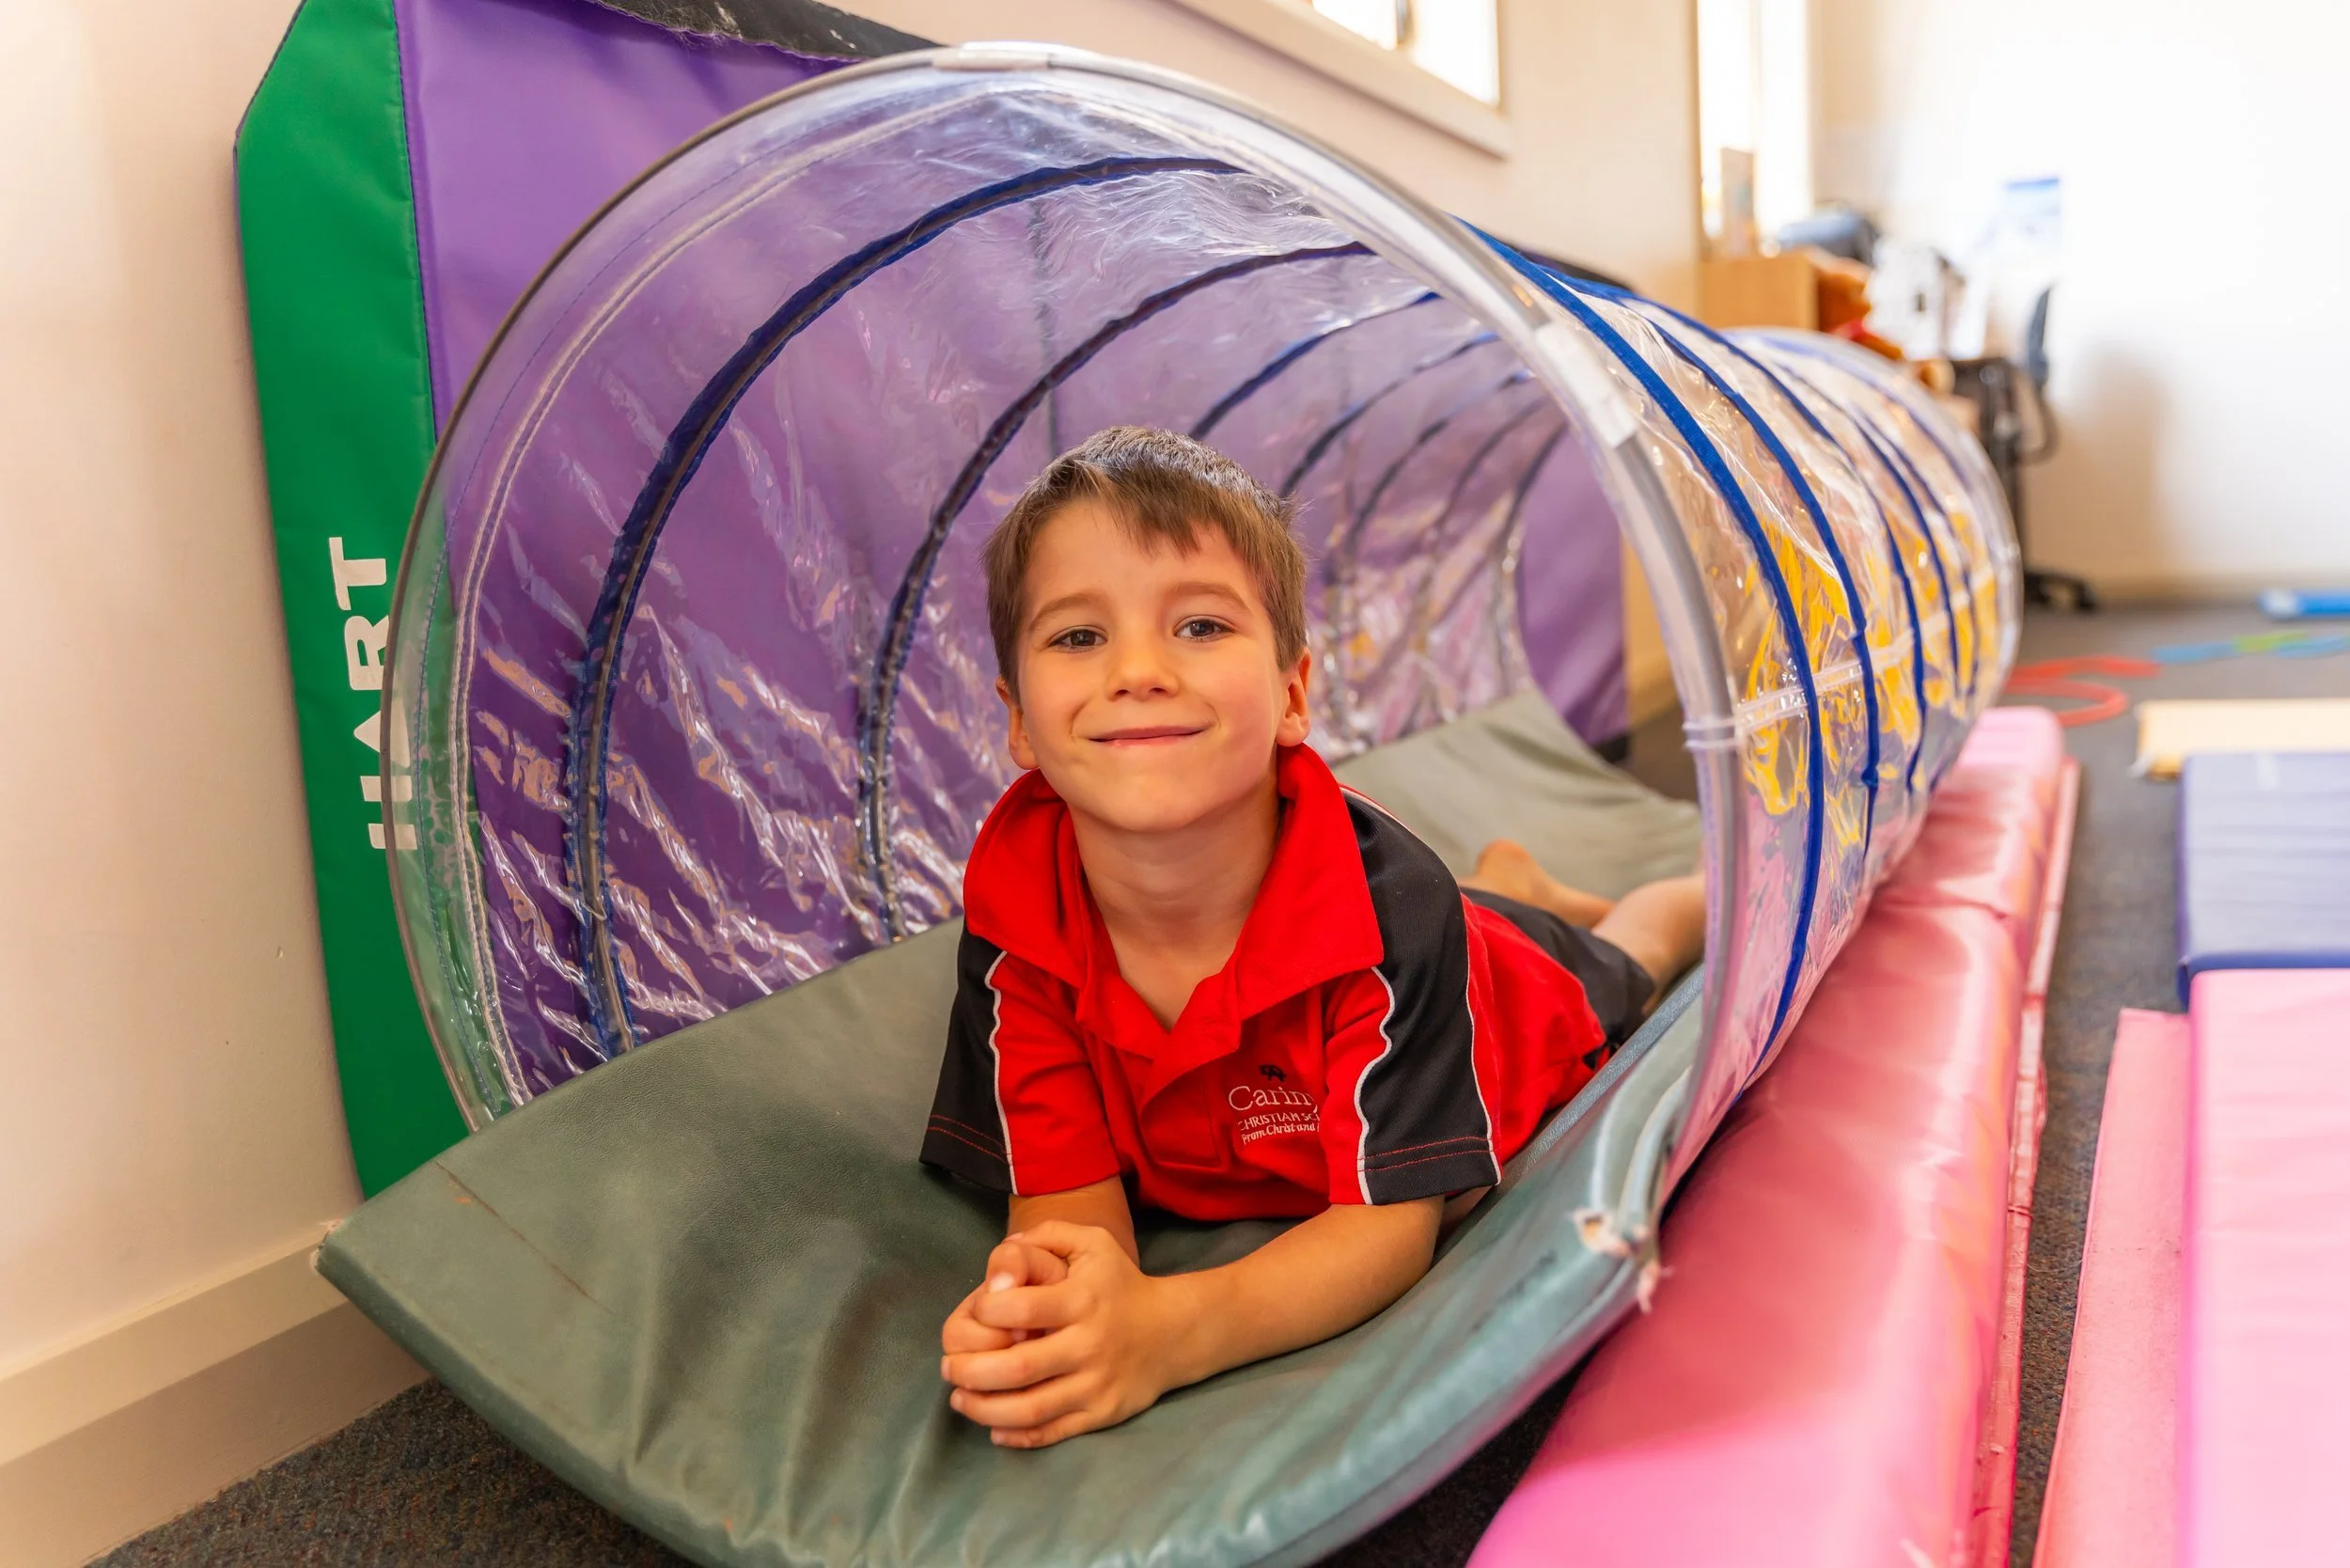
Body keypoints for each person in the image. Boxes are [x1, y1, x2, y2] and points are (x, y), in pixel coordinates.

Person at [918, 427, 1704, 1449]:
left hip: (1507, 990)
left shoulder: (1389, 918)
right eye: (1078, 638)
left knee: (1631, 961)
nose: (1140, 669)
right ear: (1018, 722)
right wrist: (1057, 1308)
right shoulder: (1017, 920)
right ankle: (1506, 882)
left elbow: (1387, 1228)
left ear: (1293, 695)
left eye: (1199, 626)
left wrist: (1168, 1331)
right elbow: (1065, 1201)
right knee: (1483, 907)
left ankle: (1670, 891)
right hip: (1425, 939)